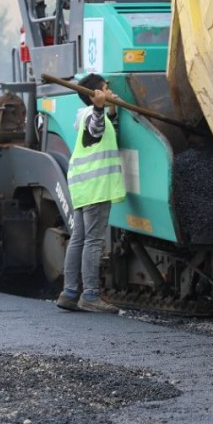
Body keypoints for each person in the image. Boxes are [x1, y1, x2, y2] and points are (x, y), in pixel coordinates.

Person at [57, 73, 126, 314]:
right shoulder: (92, 116)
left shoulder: (87, 115)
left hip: (82, 185)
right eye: (106, 88)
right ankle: (91, 295)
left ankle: (69, 292)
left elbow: (102, 132)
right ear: (95, 95)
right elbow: (95, 131)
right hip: (95, 187)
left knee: (79, 238)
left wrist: (112, 112)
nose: (111, 92)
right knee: (93, 241)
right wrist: (100, 109)